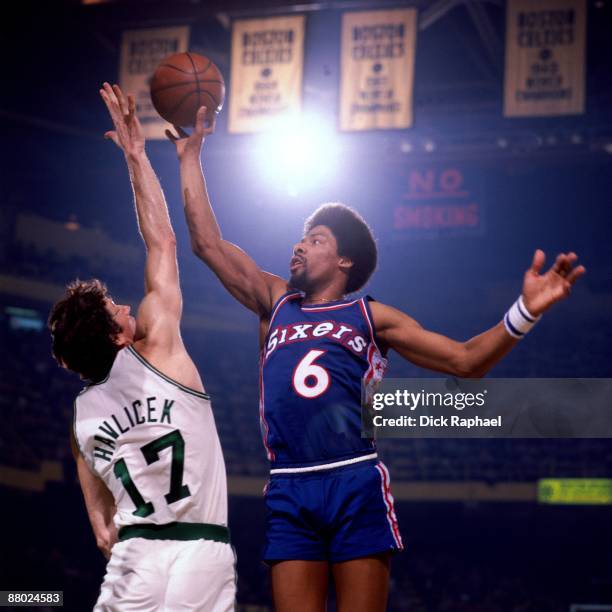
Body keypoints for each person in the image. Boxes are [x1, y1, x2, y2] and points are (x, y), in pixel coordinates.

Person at [167, 106, 585, 612]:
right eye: (301, 237)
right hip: (289, 485)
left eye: (316, 240)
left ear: (345, 261)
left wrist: (526, 311)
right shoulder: (274, 300)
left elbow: (465, 359)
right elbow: (206, 243)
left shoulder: (371, 316)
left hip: (354, 478)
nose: (300, 245)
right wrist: (191, 157)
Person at [49, 86, 235, 612]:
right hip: (198, 552)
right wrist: (136, 155)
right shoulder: (158, 349)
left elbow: (104, 532)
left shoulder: (82, 417)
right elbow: (163, 244)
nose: (128, 306)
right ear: (117, 336)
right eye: (116, 309)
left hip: (133, 562)